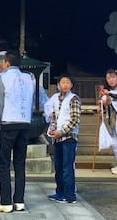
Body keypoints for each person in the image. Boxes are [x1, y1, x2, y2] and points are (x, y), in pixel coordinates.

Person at [0, 50, 35, 214]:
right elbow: (31, 102)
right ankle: (19, 201)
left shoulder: (2, 78)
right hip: (24, 123)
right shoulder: (29, 78)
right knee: (19, 163)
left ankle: (6, 202)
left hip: (8, 123)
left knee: (3, 164)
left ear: (7, 62)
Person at [46, 74, 82, 204]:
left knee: (67, 167)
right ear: (58, 85)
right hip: (57, 138)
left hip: (68, 137)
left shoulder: (73, 99)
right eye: (63, 82)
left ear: (71, 85)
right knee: (59, 167)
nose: (65, 85)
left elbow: (74, 120)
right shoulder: (56, 99)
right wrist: (53, 129)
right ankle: (60, 192)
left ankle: (70, 195)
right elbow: (55, 117)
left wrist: (60, 132)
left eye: (68, 82)